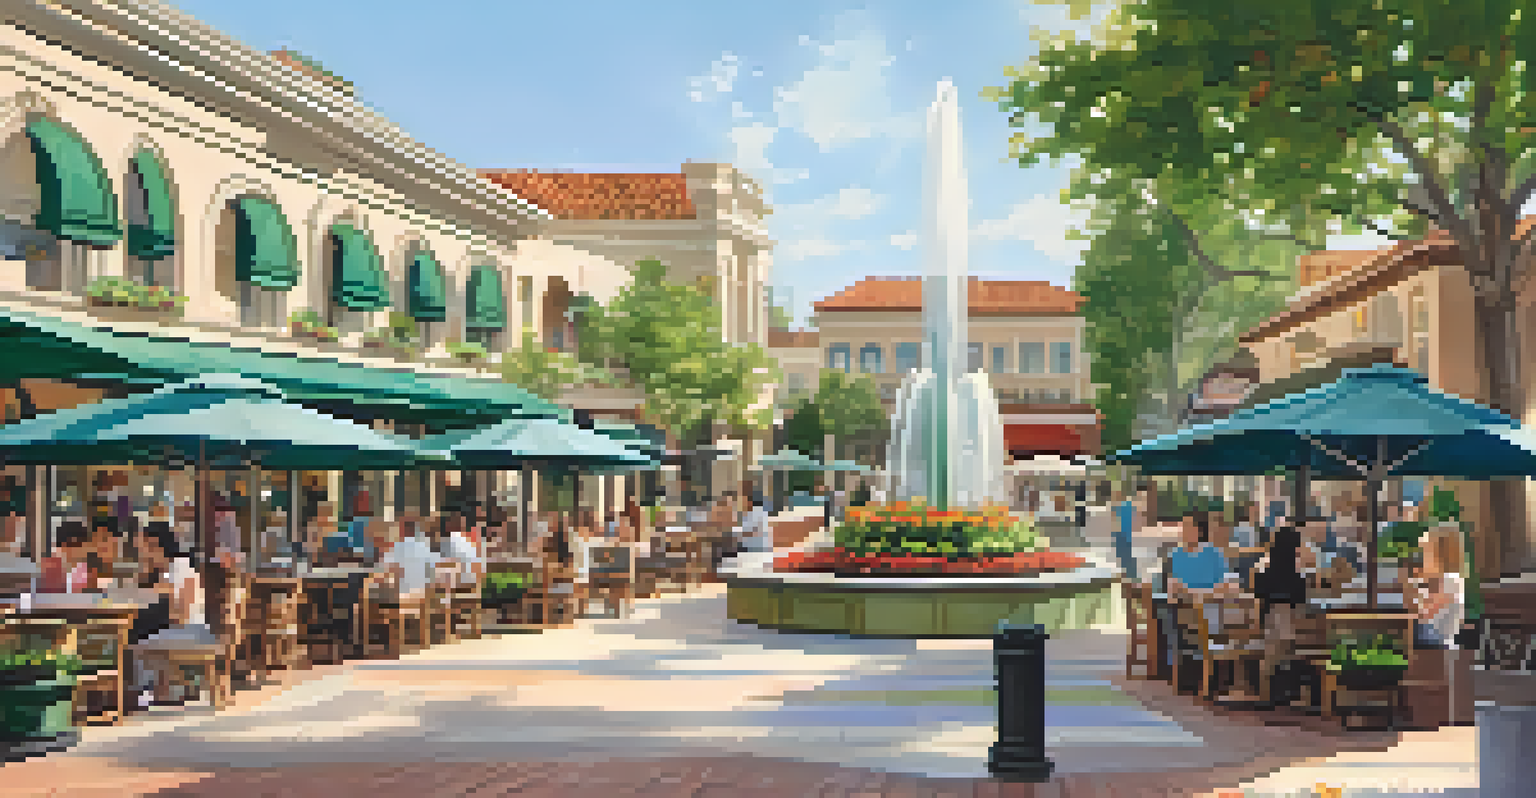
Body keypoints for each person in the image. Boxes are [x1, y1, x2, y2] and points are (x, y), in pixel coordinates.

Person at [131, 521, 212, 706]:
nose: (140, 552)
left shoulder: (180, 567)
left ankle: (147, 688)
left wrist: (161, 594)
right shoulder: (162, 571)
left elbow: (181, 614)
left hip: (192, 630)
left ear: (155, 545)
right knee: (135, 628)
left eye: (143, 546)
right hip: (176, 626)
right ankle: (145, 689)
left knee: (135, 631)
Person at [1251, 520, 1309, 706]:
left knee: (1273, 653)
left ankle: (1267, 692)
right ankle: (1286, 690)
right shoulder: (1296, 575)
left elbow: (1259, 597)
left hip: (1271, 622)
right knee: (1283, 649)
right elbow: (1300, 600)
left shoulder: (1266, 572)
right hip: (1286, 624)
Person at [380, 519, 442, 600]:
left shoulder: (398, 547)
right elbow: (436, 565)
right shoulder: (424, 547)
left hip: (403, 593)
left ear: (403, 530)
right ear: (415, 530)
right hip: (424, 593)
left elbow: (385, 566)